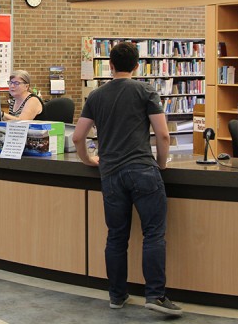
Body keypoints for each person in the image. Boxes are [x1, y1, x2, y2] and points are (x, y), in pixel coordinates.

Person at [72, 42, 182, 317]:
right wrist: (160, 163)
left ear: (109, 65)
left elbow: (77, 136)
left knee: (116, 236)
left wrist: (87, 160)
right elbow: (162, 134)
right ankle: (155, 295)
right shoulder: (146, 90)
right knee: (153, 234)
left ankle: (117, 295)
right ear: (136, 66)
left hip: (110, 173)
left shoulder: (96, 96)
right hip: (142, 170)